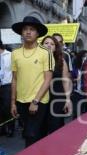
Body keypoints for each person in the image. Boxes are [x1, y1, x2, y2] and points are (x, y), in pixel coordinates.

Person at [10, 16, 55, 147]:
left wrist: (35, 101)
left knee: (31, 134)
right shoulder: (15, 53)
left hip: (39, 100)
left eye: (32, 29)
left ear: (37, 33)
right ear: (21, 32)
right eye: (25, 29)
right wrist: (13, 103)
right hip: (21, 101)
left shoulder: (46, 53)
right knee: (29, 134)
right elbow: (14, 78)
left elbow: (48, 79)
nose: (28, 32)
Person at [41, 36, 72, 134]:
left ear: (56, 47)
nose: (49, 45)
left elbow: (65, 80)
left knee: (55, 127)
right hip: (41, 97)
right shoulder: (37, 60)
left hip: (58, 98)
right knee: (42, 127)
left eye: (52, 44)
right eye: (46, 43)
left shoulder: (61, 61)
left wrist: (68, 99)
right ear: (41, 45)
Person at [0, 39, 14, 137]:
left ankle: (10, 127)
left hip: (7, 84)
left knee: (7, 107)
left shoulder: (10, 55)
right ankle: (2, 128)